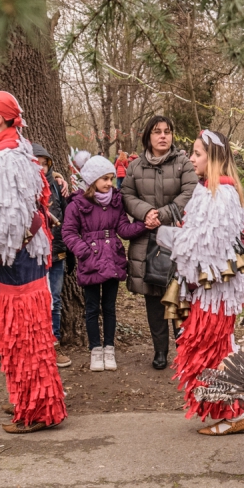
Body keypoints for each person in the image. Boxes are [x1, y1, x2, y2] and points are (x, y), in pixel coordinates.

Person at [0, 90, 67, 434]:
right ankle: (34, 399)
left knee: (23, 332)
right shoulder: (18, 151)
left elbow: (5, 223)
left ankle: (36, 410)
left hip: (18, 258)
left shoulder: (3, 159)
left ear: (0, 120)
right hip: (28, 253)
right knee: (28, 332)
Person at [162, 129, 244, 435]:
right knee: (209, 346)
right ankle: (235, 402)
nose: (191, 158)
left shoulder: (220, 194)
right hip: (207, 290)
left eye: (197, 154)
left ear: (212, 158)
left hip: (215, 291)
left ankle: (232, 413)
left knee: (211, 348)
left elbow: (211, 249)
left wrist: (180, 244)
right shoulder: (207, 190)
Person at [121, 115, 197, 370]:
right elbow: (127, 194)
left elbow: (190, 191)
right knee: (153, 296)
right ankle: (160, 351)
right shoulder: (135, 166)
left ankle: (184, 349)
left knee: (178, 295)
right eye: (157, 132)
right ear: (148, 136)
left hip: (177, 237)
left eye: (167, 131)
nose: (163, 136)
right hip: (146, 238)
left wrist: (162, 214)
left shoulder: (183, 163)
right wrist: (146, 213)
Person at [64, 155, 145, 371]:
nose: (110, 183)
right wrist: (84, 252)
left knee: (109, 307)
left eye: (111, 178)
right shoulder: (77, 205)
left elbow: (124, 230)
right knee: (91, 308)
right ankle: (95, 349)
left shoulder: (116, 203)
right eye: (105, 179)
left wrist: (143, 224)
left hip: (112, 260)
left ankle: (109, 347)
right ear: (92, 180)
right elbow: (69, 232)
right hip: (90, 262)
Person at [32, 142, 73, 369]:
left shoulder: (57, 187)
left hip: (55, 251)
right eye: (37, 164)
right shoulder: (25, 187)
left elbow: (65, 218)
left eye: (45, 164)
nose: (42, 168)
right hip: (33, 254)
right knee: (36, 300)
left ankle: (53, 343)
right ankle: (37, 345)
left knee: (54, 300)